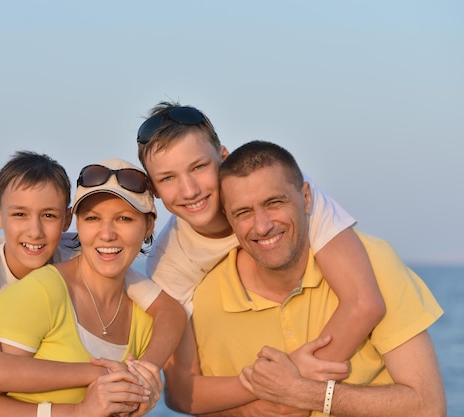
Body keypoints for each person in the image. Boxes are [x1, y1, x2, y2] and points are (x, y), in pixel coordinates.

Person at [171, 140, 445, 416]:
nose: (263, 226)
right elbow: (192, 401)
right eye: (244, 212)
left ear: (307, 197)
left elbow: (429, 407)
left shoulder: (373, 262)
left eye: (274, 202)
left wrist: (306, 394)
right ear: (228, 218)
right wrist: (258, 404)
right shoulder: (204, 302)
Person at [0, 152, 185, 417]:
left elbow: (169, 311)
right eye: (20, 214)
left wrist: (142, 376)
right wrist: (104, 372)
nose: (35, 231)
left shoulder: (81, 251)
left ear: (67, 220)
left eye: (49, 216)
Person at [136, 101, 384, 367]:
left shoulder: (282, 189)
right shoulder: (169, 260)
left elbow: (363, 303)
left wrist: (296, 383)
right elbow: (183, 387)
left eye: (198, 167)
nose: (189, 190)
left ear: (224, 157)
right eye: (168, 178)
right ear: (154, 190)